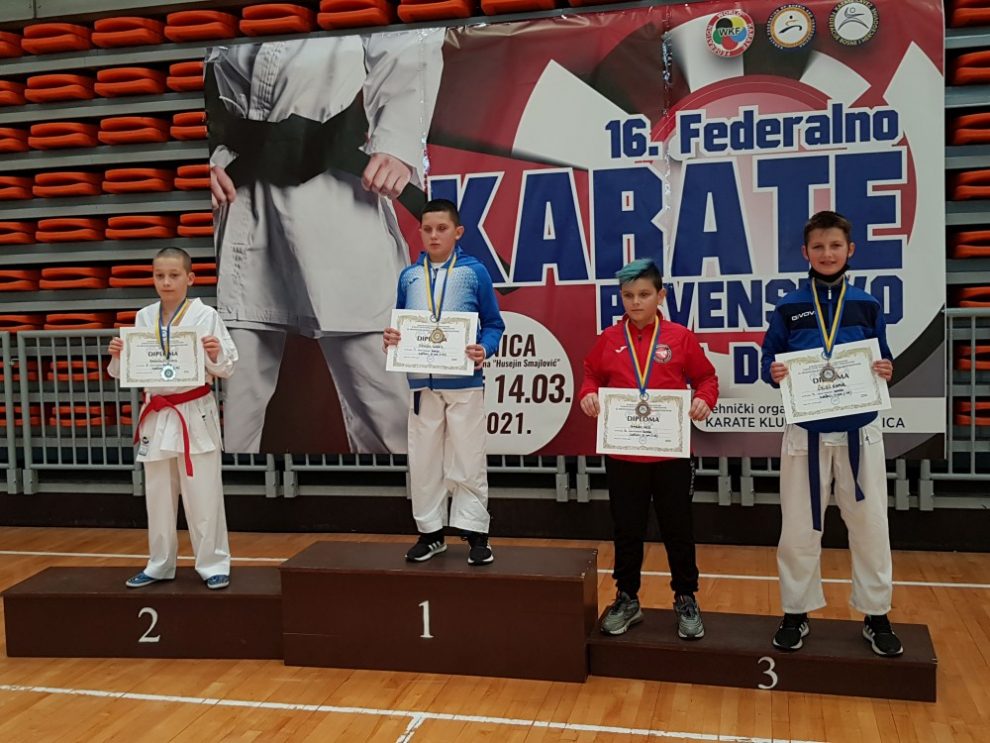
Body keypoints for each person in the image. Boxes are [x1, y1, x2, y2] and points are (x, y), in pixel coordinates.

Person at [207, 31, 443, 454]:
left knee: (381, 394)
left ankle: (406, 491)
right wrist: (205, 157)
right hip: (240, 191)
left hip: (336, 193)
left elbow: (409, 45)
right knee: (231, 389)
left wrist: (396, 143)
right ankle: (227, 492)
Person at [761, 210, 902, 657]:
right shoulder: (788, 306)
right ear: (806, 252)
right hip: (806, 433)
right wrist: (774, 371)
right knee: (798, 529)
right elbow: (769, 360)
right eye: (818, 246)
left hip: (861, 431)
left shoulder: (867, 304)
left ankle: (876, 614)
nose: (827, 253)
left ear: (849, 250)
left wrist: (886, 368)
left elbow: (883, 358)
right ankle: (795, 612)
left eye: (835, 245)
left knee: (871, 525)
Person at [579, 258, 717, 639]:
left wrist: (704, 400)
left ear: (661, 295)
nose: (636, 302)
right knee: (627, 528)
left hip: (671, 453)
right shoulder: (610, 338)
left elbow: (706, 378)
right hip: (623, 453)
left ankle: (686, 596)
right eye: (628, 296)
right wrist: (588, 395)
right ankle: (627, 597)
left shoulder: (680, 337)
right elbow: (591, 376)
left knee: (678, 527)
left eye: (644, 294)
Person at [382, 199, 505, 565]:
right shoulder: (409, 276)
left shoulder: (474, 272)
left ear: (458, 232)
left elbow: (494, 324)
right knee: (424, 462)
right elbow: (401, 325)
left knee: (468, 458)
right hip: (422, 385)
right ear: (419, 232)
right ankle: (431, 533)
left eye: (442, 229)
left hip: (465, 383)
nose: (434, 235)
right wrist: (392, 339)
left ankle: (476, 534)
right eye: (427, 229)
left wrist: (485, 348)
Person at [108, 247, 238, 590]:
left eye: (174, 275)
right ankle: (159, 564)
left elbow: (227, 367)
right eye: (159, 276)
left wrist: (215, 354)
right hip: (157, 413)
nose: (166, 282)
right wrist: (119, 356)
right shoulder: (143, 317)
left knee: (203, 493)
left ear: (190, 278)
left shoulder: (206, 315)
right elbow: (125, 373)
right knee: (158, 495)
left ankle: (213, 564)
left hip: (194, 410)